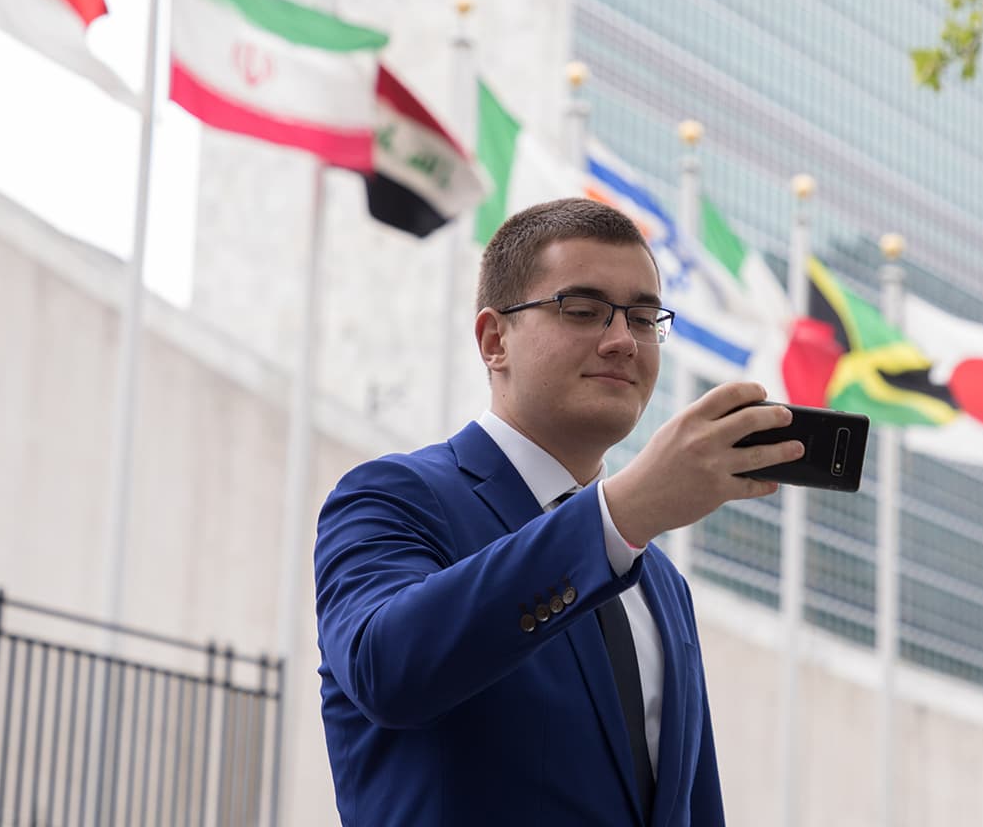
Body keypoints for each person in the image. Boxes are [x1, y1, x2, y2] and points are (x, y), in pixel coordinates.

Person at [314, 197, 803, 825]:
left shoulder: (661, 582)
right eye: (584, 311)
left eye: (645, 317)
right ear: (495, 340)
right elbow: (387, 668)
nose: (624, 341)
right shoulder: (392, 498)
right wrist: (620, 514)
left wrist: (621, 523)